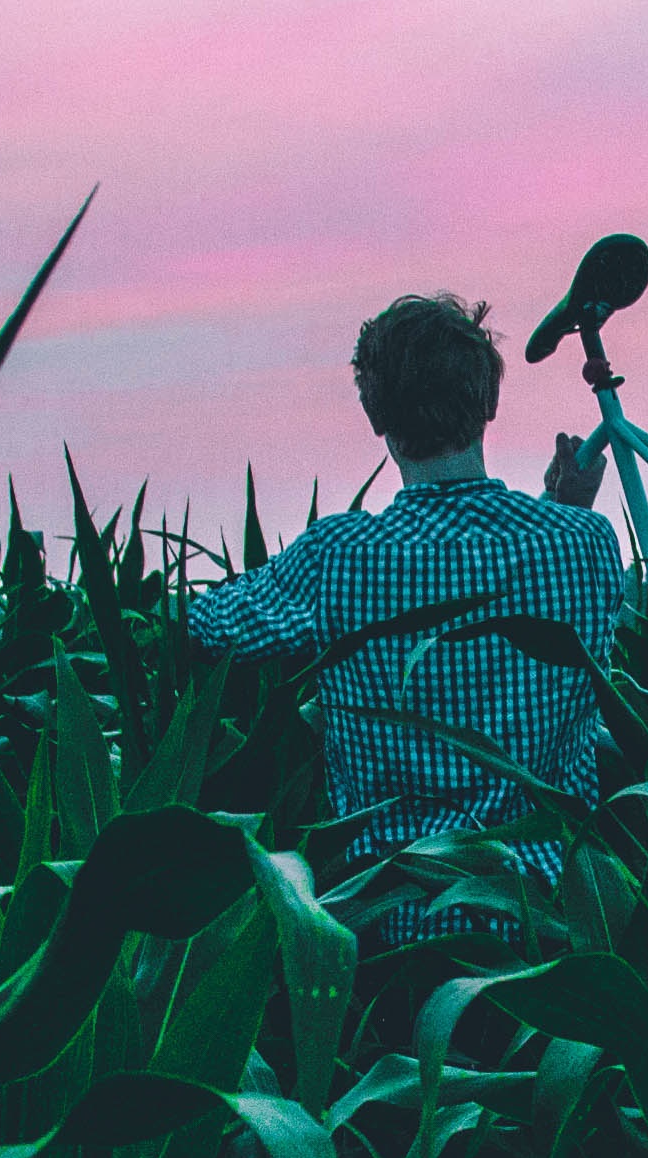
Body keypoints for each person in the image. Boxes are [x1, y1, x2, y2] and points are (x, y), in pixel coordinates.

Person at [188, 290, 624, 941]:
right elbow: (514, 596)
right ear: (490, 403)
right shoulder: (583, 543)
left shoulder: (336, 558)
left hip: (390, 935)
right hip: (551, 929)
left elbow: (207, 627)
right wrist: (561, 506)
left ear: (376, 415)